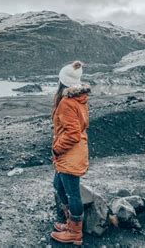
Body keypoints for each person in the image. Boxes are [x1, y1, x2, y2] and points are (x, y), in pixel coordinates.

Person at [50, 61, 91, 245]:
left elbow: (73, 134)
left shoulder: (67, 103)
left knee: (73, 193)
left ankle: (75, 232)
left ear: (62, 82)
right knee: (58, 184)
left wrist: (57, 148)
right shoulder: (79, 98)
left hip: (70, 153)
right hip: (74, 152)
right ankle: (70, 223)